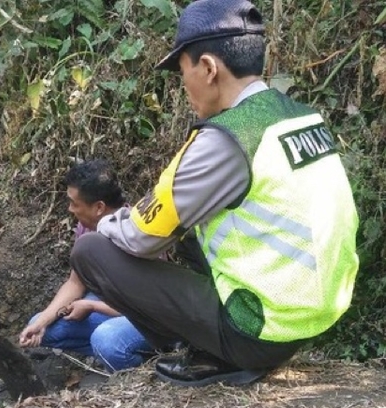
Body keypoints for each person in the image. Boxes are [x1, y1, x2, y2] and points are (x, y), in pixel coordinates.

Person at [69, 0, 359, 387]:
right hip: (311, 315)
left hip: (259, 330)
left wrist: (106, 224)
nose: (183, 85)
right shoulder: (298, 116)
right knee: (191, 232)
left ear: (208, 68)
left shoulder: (228, 139)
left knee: (90, 252)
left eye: (183, 71)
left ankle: (207, 353)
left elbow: (142, 234)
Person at [19, 159, 154, 372]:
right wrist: (42, 322)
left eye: (75, 203)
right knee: (43, 325)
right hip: (110, 307)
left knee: (106, 340)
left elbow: (150, 307)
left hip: (146, 317)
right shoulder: (87, 227)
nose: (70, 209)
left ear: (99, 207)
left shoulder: (138, 233)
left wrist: (92, 306)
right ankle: (109, 349)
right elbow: (75, 283)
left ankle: (142, 365)